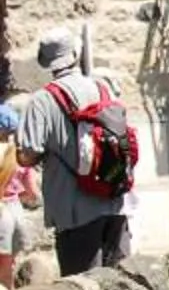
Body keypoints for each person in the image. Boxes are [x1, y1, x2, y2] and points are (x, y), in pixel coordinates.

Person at [0, 31, 136, 275]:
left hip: (74, 209)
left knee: (83, 288)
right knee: (121, 283)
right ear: (75, 54)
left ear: (47, 63)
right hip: (115, 201)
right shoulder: (103, 87)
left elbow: (27, 156)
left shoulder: (42, 100)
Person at [0, 144, 40, 290]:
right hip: (15, 211)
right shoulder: (22, 158)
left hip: (2, 213)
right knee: (8, 262)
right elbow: (33, 193)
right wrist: (17, 195)